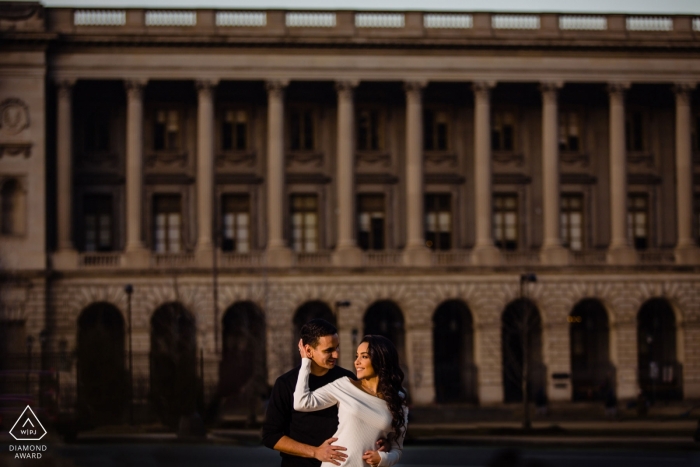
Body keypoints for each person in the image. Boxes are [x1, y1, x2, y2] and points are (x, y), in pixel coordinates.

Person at [263, 319, 384, 467]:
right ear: (308, 351)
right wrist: (315, 452)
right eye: (328, 351)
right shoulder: (286, 383)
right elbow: (271, 436)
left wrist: (382, 441)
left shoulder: (347, 379)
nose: (336, 355)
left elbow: (365, 419)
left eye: (337, 348)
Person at [294, 335, 409, 467]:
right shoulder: (344, 385)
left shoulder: (398, 400)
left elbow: (397, 448)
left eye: (364, 356)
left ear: (381, 360)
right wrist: (305, 362)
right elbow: (301, 402)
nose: (357, 362)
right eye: (356, 356)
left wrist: (383, 459)